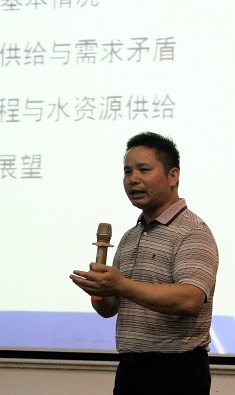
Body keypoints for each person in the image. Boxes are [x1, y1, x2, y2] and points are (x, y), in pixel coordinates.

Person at [70, 132, 219, 395]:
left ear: (173, 176)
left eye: (143, 170)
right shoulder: (130, 237)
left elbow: (189, 300)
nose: (133, 179)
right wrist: (99, 290)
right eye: (127, 171)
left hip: (177, 372)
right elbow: (110, 309)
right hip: (131, 369)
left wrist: (120, 285)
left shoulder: (193, 232)